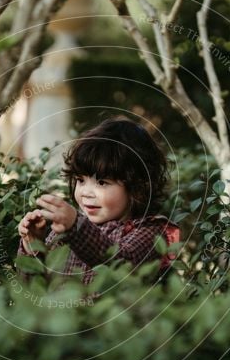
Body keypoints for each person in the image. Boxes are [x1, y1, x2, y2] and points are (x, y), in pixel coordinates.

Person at [17, 118, 180, 284]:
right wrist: (34, 247)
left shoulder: (150, 233)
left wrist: (76, 226)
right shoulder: (64, 232)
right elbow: (32, 290)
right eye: (80, 180)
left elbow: (123, 264)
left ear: (137, 187)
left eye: (102, 182)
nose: (86, 192)